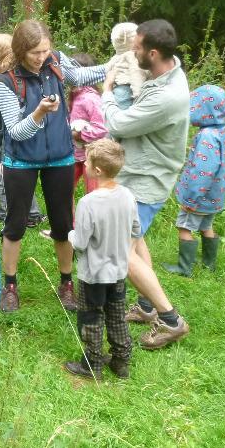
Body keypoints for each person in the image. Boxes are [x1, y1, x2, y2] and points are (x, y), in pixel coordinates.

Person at [0, 20, 108, 314]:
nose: (41, 57)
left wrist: (117, 66)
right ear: (20, 50)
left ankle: (67, 283)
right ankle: (10, 285)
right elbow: (16, 131)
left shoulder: (55, 60)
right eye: (34, 52)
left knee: (63, 224)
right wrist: (39, 113)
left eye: (44, 50)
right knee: (15, 223)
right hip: (20, 159)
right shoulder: (5, 81)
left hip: (60, 157)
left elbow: (79, 75)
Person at [102, 18, 192, 349]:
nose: (132, 51)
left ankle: (170, 320)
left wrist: (107, 92)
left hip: (146, 181)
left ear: (153, 53)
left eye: (137, 47)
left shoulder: (167, 96)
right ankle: (145, 305)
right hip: (136, 174)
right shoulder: (165, 72)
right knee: (135, 243)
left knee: (118, 253)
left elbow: (119, 123)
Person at [65, 139, 140, 380]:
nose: (84, 163)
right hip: (118, 271)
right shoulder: (127, 195)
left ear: (97, 170)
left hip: (93, 275)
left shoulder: (88, 202)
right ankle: (121, 362)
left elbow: (80, 242)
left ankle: (92, 364)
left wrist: (69, 234)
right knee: (117, 316)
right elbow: (136, 229)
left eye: (86, 161)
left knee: (92, 317)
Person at [165, 84, 225, 277]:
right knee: (206, 226)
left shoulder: (207, 136)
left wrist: (191, 198)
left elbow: (204, 170)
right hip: (216, 196)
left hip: (199, 196)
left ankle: (184, 268)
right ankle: (208, 265)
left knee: (184, 226)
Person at [0, 32, 42, 227]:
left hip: (1, 134)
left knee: (0, 168)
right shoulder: (21, 76)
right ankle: (32, 212)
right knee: (22, 168)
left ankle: (6, 210)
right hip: (23, 131)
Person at [68, 52, 108, 196]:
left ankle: (93, 219)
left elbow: (101, 128)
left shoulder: (90, 98)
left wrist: (79, 134)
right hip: (74, 154)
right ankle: (69, 219)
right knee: (64, 190)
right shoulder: (74, 96)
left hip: (92, 156)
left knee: (93, 194)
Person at [105, 22, 149, 109]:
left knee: (113, 114)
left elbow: (107, 69)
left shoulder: (116, 57)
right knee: (122, 117)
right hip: (128, 90)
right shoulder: (133, 57)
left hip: (117, 89)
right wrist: (138, 96)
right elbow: (137, 75)